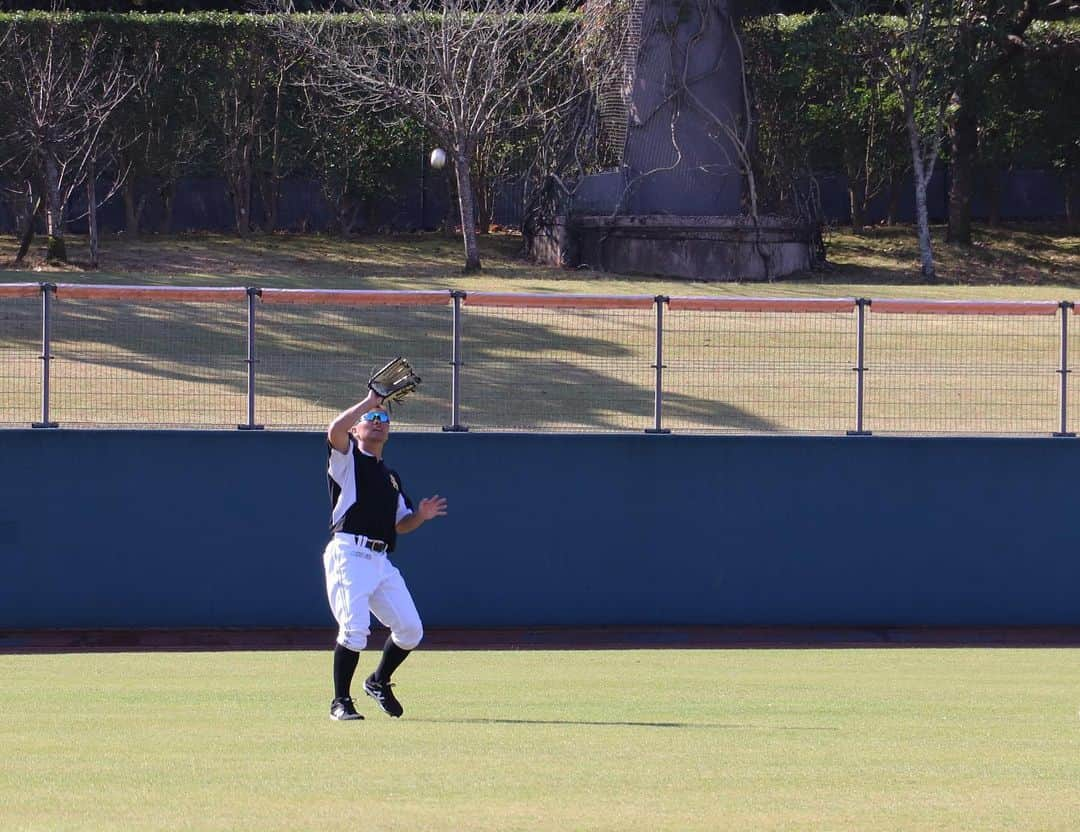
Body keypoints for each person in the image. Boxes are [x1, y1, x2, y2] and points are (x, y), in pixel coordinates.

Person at [322, 389, 447, 721]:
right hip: (349, 552)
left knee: (410, 630)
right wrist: (368, 400)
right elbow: (334, 430)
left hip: (380, 560)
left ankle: (377, 680)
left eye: (383, 419)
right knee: (354, 629)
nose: (378, 422)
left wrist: (421, 515)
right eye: (371, 419)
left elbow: (401, 524)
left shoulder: (391, 477)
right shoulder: (348, 460)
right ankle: (340, 702)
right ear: (357, 429)